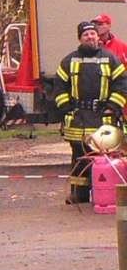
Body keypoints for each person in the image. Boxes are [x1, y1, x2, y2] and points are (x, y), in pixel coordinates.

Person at [52, 20, 127, 203]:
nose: (90, 36)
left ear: (97, 36)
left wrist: (113, 107)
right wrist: (66, 107)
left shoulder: (110, 59)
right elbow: (59, 86)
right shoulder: (69, 61)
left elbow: (122, 84)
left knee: (104, 158)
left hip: (103, 117)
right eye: (86, 34)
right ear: (80, 38)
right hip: (78, 117)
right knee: (79, 158)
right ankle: (79, 194)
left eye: (93, 33)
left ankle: (105, 193)